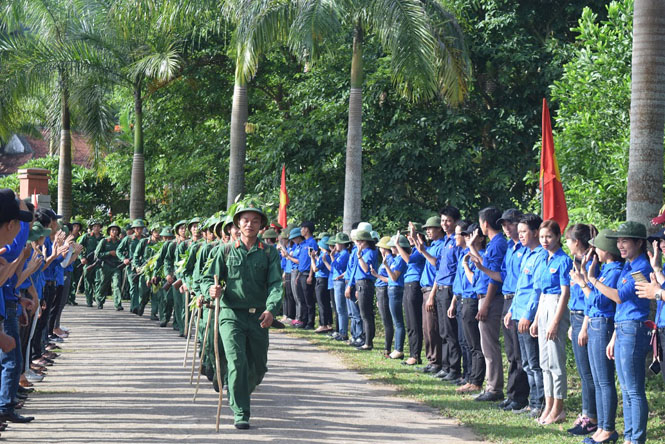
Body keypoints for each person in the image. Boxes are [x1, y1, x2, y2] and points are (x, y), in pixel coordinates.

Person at [201, 204, 283, 430]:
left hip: (259, 317)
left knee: (258, 366)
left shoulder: (269, 252)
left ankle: (236, 387)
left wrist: (271, 309)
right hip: (230, 315)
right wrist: (211, 289)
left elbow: (276, 284)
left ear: (261, 225)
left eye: (255, 221)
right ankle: (241, 412)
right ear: (238, 223)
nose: (250, 224)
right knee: (237, 361)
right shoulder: (225, 250)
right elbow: (208, 278)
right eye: (245, 220)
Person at [570, 229, 622, 444]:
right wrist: (585, 275)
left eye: (598, 247)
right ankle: (601, 427)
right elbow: (592, 301)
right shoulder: (605, 269)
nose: (595, 251)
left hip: (604, 324)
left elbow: (599, 302)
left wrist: (584, 281)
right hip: (594, 323)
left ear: (607, 250)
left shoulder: (615, 270)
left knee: (603, 379)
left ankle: (607, 428)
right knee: (598, 380)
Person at [604, 221, 652, 444]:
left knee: (634, 390)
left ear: (639, 242)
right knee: (626, 388)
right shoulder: (628, 265)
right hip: (623, 327)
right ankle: (630, 437)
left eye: (625, 241)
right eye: (619, 241)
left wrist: (592, 280)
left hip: (634, 328)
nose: (620, 246)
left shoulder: (642, 267)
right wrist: (614, 335)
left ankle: (636, 439)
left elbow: (621, 297)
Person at [531, 220, 572, 425]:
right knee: (544, 362)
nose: (545, 241)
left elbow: (565, 293)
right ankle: (548, 404)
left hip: (557, 306)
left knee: (556, 361)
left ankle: (558, 407)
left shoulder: (563, 260)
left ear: (557, 237)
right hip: (544, 304)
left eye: (549, 236)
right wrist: (537, 320)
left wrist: (555, 321)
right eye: (541, 237)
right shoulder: (544, 259)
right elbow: (542, 292)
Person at [505, 213, 546, 418]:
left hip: (528, 317)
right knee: (526, 363)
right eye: (519, 232)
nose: (520, 236)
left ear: (536, 232)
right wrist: (512, 309)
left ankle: (539, 403)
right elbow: (521, 287)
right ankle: (532, 402)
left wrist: (528, 316)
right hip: (518, 312)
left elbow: (536, 291)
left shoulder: (540, 255)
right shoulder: (527, 254)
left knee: (534, 363)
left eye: (524, 232)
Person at [468, 207, 508, 402]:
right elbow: (488, 266)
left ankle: (494, 387)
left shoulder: (498, 243)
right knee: (487, 344)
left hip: (490, 297)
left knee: (489, 345)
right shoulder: (495, 243)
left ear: (485, 223)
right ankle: (491, 385)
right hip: (485, 295)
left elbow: (494, 277)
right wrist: (473, 249)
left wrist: (486, 304)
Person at [565, 223, 599, 436]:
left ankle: (592, 417)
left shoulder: (592, 262)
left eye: (568, 240)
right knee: (584, 371)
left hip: (586, 318)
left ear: (576, 242)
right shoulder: (577, 261)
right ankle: (587, 413)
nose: (566, 244)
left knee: (588, 373)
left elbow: (591, 297)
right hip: (575, 316)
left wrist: (584, 326)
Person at [431, 206, 462, 381]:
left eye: (448, 220)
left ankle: (455, 368)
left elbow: (457, 268)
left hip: (450, 289)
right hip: (441, 287)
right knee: (443, 330)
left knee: (451, 331)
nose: (445, 224)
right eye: (442, 221)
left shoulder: (456, 242)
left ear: (456, 221)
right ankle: (445, 365)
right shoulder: (445, 241)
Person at [456, 222, 486, 395]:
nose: (468, 238)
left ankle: (476, 380)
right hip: (463, 299)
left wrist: (467, 266)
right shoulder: (466, 254)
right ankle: (470, 377)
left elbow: (473, 280)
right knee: (467, 342)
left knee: (475, 344)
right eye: (466, 235)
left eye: (471, 236)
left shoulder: (479, 255)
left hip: (473, 300)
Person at [394, 223, 426, 366]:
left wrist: (398, 245)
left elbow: (409, 260)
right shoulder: (414, 250)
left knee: (414, 322)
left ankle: (415, 354)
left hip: (415, 284)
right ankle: (413, 352)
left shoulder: (421, 249)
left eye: (411, 234)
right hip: (408, 284)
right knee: (409, 322)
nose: (408, 237)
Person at [418, 216, 445, 373]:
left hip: (431, 289)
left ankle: (436, 361)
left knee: (432, 328)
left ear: (439, 229)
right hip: (425, 289)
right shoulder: (433, 245)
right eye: (426, 229)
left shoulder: (441, 246)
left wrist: (432, 295)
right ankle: (431, 359)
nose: (428, 231)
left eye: (431, 228)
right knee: (426, 327)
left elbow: (438, 270)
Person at [350, 230, 378, 350]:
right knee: (363, 314)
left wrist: (360, 256)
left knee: (366, 314)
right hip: (360, 283)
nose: (357, 243)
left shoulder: (370, 252)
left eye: (359, 241)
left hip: (366, 283)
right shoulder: (361, 252)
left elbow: (366, 269)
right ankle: (365, 339)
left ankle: (368, 342)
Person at [117, 219, 146, 315]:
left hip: (143, 265)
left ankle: (140, 305)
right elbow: (119, 250)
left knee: (142, 287)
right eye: (137, 228)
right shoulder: (128, 239)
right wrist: (123, 259)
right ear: (133, 229)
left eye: (140, 228)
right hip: (131, 266)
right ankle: (134, 307)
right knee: (133, 286)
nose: (139, 230)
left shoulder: (145, 239)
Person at [371, 236, 394, 356]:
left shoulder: (389, 260)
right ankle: (387, 347)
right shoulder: (386, 259)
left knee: (387, 321)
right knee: (385, 319)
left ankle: (387, 348)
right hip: (380, 290)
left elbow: (390, 279)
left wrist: (376, 275)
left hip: (383, 290)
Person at [327, 233, 351, 341]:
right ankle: (341, 331)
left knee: (341, 308)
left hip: (340, 282)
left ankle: (343, 332)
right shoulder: (340, 253)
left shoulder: (344, 254)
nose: (335, 245)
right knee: (339, 308)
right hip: (336, 282)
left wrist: (332, 257)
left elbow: (338, 266)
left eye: (337, 243)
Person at [94, 223, 123, 310]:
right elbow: (97, 254)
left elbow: (123, 252)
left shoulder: (120, 242)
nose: (114, 232)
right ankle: (99, 301)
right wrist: (109, 253)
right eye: (113, 230)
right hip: (105, 266)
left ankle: (118, 304)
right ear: (109, 232)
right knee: (103, 285)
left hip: (116, 266)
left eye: (116, 230)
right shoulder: (104, 241)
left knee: (116, 284)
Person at [310, 235, 333, 333]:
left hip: (321, 280)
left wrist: (312, 258)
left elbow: (315, 269)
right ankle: (328, 323)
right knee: (326, 303)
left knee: (322, 303)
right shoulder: (326, 255)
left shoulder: (324, 255)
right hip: (325, 280)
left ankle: (323, 324)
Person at [79, 220, 103, 307]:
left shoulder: (103, 238)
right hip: (88, 262)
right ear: (91, 228)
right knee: (88, 281)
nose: (96, 228)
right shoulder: (87, 237)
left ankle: (98, 300)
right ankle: (89, 300)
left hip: (99, 262)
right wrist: (82, 257)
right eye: (94, 226)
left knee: (98, 281)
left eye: (98, 226)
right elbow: (79, 247)